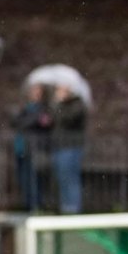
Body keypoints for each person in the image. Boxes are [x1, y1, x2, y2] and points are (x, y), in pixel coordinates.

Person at [12, 83, 53, 212]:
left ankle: (36, 205)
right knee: (24, 177)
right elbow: (16, 123)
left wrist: (29, 121)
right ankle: (28, 203)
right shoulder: (25, 108)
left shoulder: (44, 109)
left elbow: (41, 123)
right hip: (22, 148)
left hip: (35, 148)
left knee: (35, 178)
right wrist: (33, 120)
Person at [52, 86, 87, 215]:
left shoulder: (77, 105)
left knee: (71, 177)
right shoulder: (60, 106)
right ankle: (65, 207)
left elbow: (67, 119)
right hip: (60, 146)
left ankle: (73, 208)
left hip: (71, 146)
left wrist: (60, 103)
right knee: (62, 178)